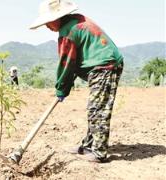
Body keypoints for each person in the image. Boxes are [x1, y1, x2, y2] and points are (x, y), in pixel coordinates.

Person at [29, 0, 124, 163]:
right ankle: (88, 145)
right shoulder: (75, 21)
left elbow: (66, 64)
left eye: (48, 22)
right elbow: (74, 62)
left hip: (106, 66)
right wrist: (65, 86)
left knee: (97, 108)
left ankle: (99, 152)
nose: (47, 26)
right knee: (94, 107)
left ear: (58, 17)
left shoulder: (68, 32)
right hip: (100, 65)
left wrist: (61, 89)